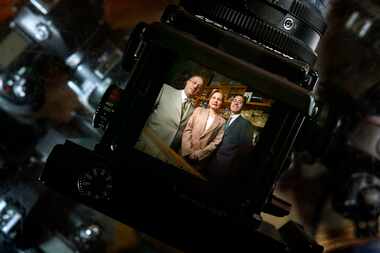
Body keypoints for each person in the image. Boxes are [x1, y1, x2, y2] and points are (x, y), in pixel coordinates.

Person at [135, 74, 205, 162]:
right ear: (187, 81)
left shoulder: (194, 110)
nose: (195, 87)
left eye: (199, 87)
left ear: (199, 92)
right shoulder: (165, 90)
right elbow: (142, 112)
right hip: (145, 146)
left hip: (166, 155)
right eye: (194, 83)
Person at [206, 94, 254, 182]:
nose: (236, 103)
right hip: (210, 162)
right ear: (231, 102)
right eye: (234, 100)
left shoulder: (246, 125)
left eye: (239, 102)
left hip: (225, 170)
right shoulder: (224, 119)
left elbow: (244, 152)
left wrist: (232, 172)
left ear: (243, 106)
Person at [181, 89, 226, 170]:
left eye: (219, 99)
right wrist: (188, 150)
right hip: (184, 153)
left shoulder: (222, 122)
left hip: (199, 161)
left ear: (222, 103)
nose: (215, 101)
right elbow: (188, 129)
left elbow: (216, 142)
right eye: (213, 97)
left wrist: (199, 154)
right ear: (209, 99)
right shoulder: (198, 110)